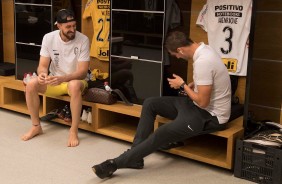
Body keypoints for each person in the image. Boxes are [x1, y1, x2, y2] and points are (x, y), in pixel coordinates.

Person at [91, 31, 231, 179]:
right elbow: (209, 80)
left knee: (162, 132)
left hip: (210, 116)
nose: (177, 57)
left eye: (175, 55)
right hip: (195, 105)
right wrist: (193, 85)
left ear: (180, 50)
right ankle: (135, 158)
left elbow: (203, 102)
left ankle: (115, 163)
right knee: (151, 103)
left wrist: (183, 85)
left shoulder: (203, 61)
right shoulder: (205, 49)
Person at [21, 9, 90, 147]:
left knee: (74, 85)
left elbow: (82, 72)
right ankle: (36, 126)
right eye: (68, 27)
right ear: (58, 25)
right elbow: (42, 65)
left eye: (74, 26)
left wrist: (63, 79)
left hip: (76, 81)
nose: (72, 30)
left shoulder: (83, 39)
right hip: (55, 80)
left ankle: (73, 130)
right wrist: (42, 74)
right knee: (31, 84)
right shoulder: (48, 38)